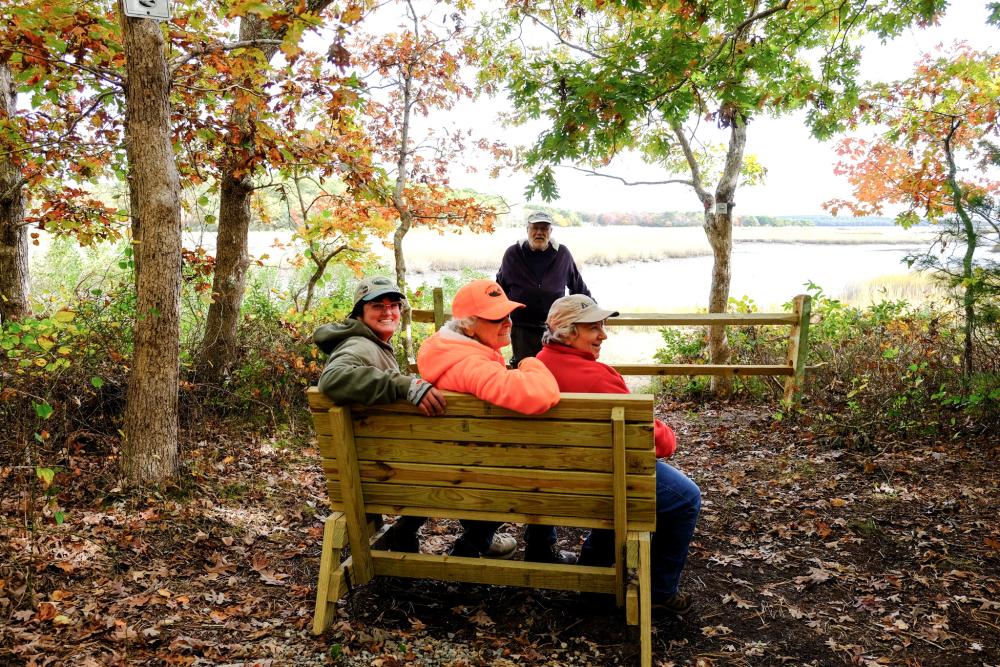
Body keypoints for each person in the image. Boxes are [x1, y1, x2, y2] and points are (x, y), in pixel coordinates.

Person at [314, 276, 514, 559]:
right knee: (482, 468)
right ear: (359, 313)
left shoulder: (371, 343)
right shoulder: (358, 345)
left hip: (380, 471)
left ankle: (404, 533)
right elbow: (332, 379)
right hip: (394, 473)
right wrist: (404, 384)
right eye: (377, 306)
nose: (388, 312)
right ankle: (473, 543)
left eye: (393, 305)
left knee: (439, 459)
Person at [536, 294, 702, 614]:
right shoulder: (599, 377)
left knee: (611, 480)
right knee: (685, 497)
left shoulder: (533, 367)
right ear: (568, 332)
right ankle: (660, 590)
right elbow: (658, 443)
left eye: (603, 326)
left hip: (551, 482)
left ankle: (592, 573)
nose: (603, 335)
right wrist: (669, 434)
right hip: (599, 482)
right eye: (594, 328)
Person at [416, 279, 569, 562]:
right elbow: (537, 394)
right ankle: (478, 548)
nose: (508, 322)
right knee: (541, 462)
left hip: (456, 460)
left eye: (508, 314)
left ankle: (477, 542)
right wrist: (530, 362)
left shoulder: (444, 350)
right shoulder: (471, 365)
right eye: (496, 318)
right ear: (468, 325)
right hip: (478, 474)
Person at [496, 211, 591, 367]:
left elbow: (578, 287)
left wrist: (592, 310)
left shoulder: (562, 254)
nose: (539, 232)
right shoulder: (513, 254)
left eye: (544, 228)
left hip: (555, 327)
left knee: (554, 367)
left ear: (550, 231)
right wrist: (493, 315)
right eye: (535, 228)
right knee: (524, 366)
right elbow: (500, 288)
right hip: (522, 327)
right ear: (527, 230)